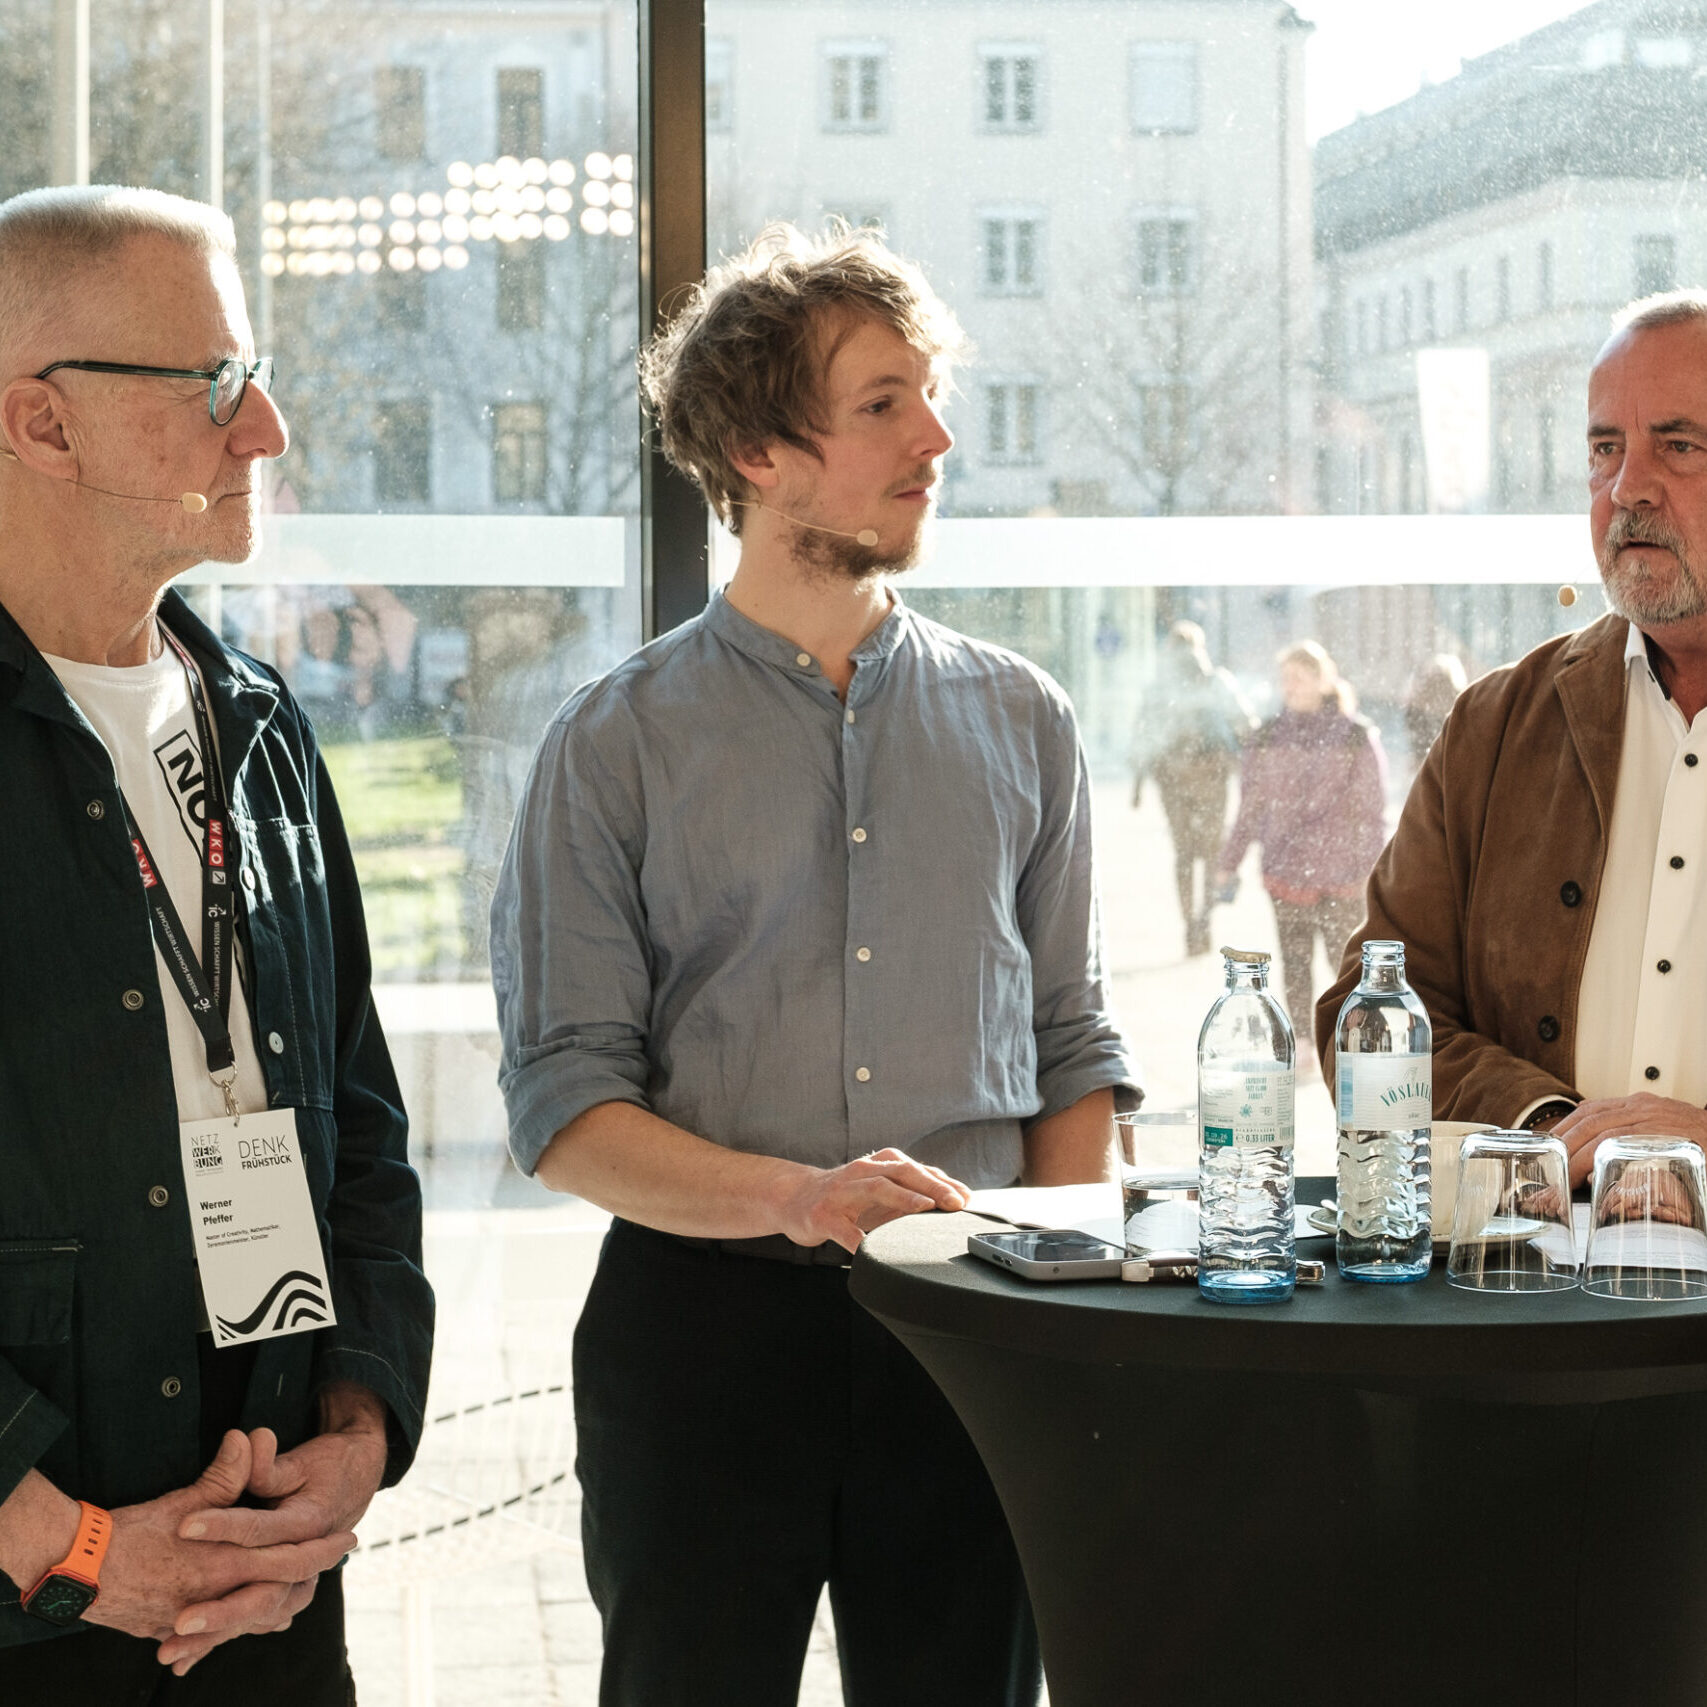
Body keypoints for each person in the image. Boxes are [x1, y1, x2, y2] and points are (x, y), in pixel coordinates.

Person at [490, 222, 1139, 1707]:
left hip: (973, 1326)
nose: (938, 436)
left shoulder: (1023, 719)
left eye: (929, 394)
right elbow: (565, 1108)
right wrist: (799, 1198)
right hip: (699, 1341)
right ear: (756, 447)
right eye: (883, 403)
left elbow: (1070, 1042)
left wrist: (1052, 1295)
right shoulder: (611, 743)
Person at [0, 185, 433, 1698]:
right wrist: (53, 1535)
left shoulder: (256, 721)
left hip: (266, 1583)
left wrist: (359, 1427)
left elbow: (361, 1116)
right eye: (215, 386)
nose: (265, 431)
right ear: (41, 424)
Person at [1319, 288, 1707, 1183]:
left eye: (1677, 445)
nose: (1626, 488)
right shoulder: (1495, 725)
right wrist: (1549, 1127)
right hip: (1524, 1286)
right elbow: (1362, 1016)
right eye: (1604, 448)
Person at [1215, 640, 1388, 1050]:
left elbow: (1372, 810)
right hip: (1287, 871)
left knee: (1346, 965)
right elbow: (1251, 806)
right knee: (1294, 963)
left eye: (1299, 676)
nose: (1289, 686)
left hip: (1342, 876)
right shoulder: (1267, 736)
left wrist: (1373, 870)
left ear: (1323, 679)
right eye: (1285, 678)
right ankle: (1307, 1045)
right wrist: (1229, 862)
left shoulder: (1356, 736)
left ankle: (1355, 1039)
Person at [1129, 620, 1255, 957]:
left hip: (1172, 775)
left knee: (1184, 853)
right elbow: (1245, 723)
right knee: (1212, 851)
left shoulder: (1158, 687)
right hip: (1211, 772)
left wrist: (1138, 783)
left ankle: (1190, 923)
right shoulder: (1216, 680)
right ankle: (1204, 920)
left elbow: (1143, 733)